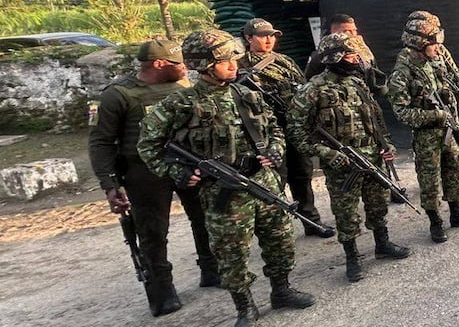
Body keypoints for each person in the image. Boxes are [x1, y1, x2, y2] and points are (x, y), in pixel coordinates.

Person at [137, 30, 315, 327]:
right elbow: (148, 145)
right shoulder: (180, 103)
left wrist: (274, 150)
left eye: (234, 58)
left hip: (263, 181)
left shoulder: (247, 94)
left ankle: (282, 290)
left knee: (280, 240)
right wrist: (178, 172)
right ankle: (245, 306)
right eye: (224, 61)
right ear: (204, 65)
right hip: (223, 191)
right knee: (232, 252)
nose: (233, 65)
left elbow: (274, 129)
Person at [88, 39, 217, 317]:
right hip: (143, 171)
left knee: (204, 217)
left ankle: (212, 269)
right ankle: (162, 290)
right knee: (152, 231)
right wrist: (110, 185)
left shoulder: (183, 86)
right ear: (159, 64)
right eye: (179, 63)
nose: (185, 67)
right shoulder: (117, 94)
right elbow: (100, 142)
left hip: (188, 164)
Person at [289, 32, 412, 282]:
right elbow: (296, 130)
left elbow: (375, 118)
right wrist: (326, 153)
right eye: (350, 55)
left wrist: (386, 144)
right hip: (341, 162)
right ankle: (352, 256)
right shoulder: (313, 90)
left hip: (371, 156)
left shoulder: (358, 83)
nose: (356, 59)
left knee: (377, 203)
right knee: (346, 211)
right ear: (334, 57)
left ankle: (382, 243)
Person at [386, 12, 459, 244]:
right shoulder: (402, 73)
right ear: (419, 45)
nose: (439, 48)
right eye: (433, 43)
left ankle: (457, 212)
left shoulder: (435, 59)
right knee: (430, 180)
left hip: (449, 127)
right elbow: (402, 113)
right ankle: (435, 222)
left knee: (456, 170)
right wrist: (436, 115)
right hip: (427, 135)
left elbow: (452, 83)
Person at [238, 18, 327, 237]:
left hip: (292, 125)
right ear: (248, 38)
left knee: (302, 173)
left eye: (272, 35)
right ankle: (278, 231)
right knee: (275, 179)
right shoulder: (239, 66)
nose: (269, 40)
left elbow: (303, 88)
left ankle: (311, 221)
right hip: (264, 132)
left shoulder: (284, 61)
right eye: (262, 36)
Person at [303, 13, 377, 81]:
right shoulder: (321, 56)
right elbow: (309, 80)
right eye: (346, 31)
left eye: (354, 30)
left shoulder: (364, 51)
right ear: (333, 34)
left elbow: (375, 73)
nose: (353, 34)